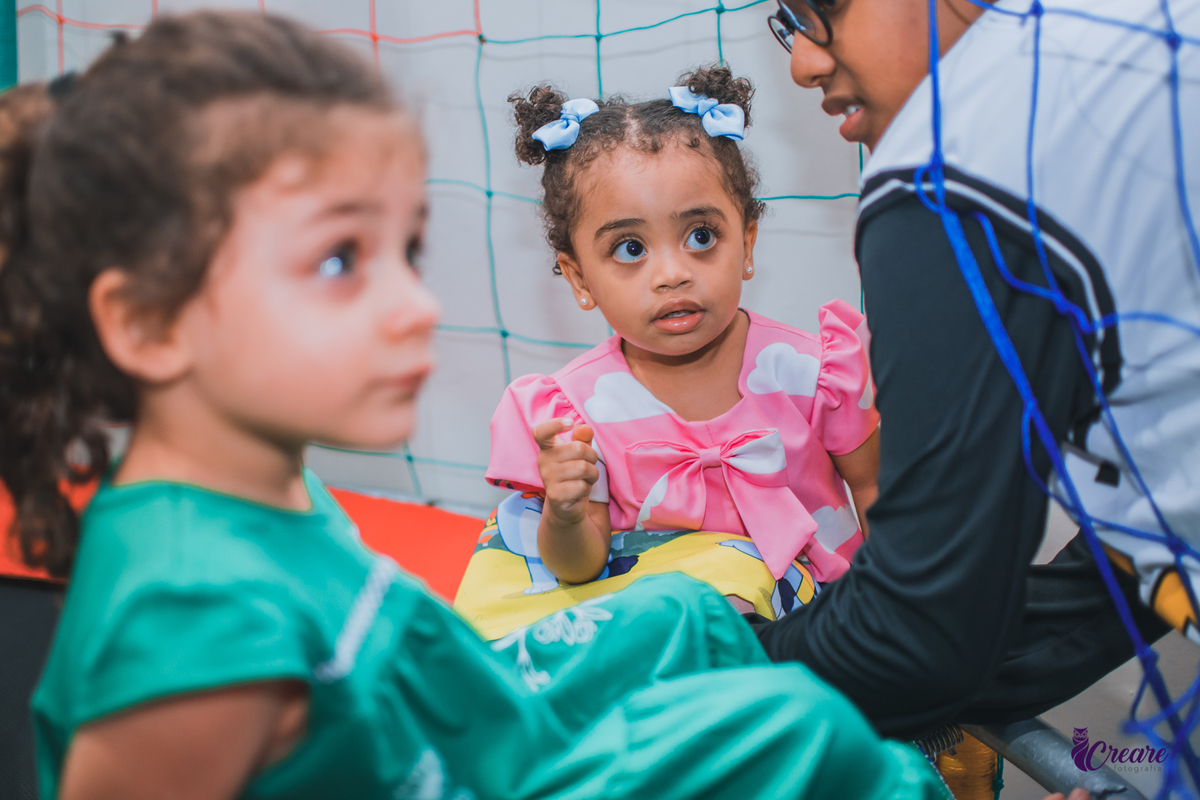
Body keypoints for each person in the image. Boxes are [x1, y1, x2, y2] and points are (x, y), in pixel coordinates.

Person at [0, 11, 954, 799]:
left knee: (685, 613)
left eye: (401, 252)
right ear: (150, 326)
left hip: (488, 731)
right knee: (800, 731)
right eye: (338, 261)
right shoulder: (189, 623)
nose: (416, 304)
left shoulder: (265, 490)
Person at [753, 0, 1195, 755]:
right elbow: (1157, 507)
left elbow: (915, 635)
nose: (802, 60)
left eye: (821, 7)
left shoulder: (952, 162)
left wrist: (710, 666)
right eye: (786, 23)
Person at [459, 66, 880, 630]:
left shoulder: (815, 373)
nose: (672, 274)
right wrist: (562, 511)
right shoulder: (574, 414)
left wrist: (898, 619)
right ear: (579, 277)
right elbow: (579, 571)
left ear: (747, 243)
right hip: (676, 647)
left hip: (828, 628)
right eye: (630, 248)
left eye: (701, 236)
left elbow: (878, 491)